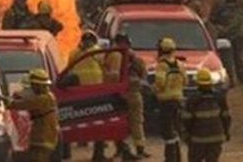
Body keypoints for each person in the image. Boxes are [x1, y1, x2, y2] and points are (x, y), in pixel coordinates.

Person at [105, 32, 149, 160]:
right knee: (135, 122)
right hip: (132, 93)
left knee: (120, 121)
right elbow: (143, 76)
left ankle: (123, 149)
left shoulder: (113, 56)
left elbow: (109, 75)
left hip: (118, 94)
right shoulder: (136, 59)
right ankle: (137, 149)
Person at [68, 30, 107, 162]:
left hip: (86, 89)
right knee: (92, 118)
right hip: (91, 89)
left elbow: (69, 69)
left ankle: (87, 143)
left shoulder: (91, 52)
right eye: (87, 41)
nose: (88, 43)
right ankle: (91, 143)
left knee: (85, 117)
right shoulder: (96, 52)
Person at [7, 68, 59, 162]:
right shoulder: (47, 97)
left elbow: (22, 104)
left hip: (43, 140)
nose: (33, 87)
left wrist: (6, 101)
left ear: (40, 85)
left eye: (34, 85)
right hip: (42, 139)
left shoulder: (44, 99)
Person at [182, 67, 231, 162]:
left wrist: (186, 135)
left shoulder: (192, 100)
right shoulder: (219, 97)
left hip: (197, 139)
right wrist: (226, 132)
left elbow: (186, 120)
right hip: (216, 137)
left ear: (197, 83)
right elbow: (226, 118)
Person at [208, 0, 243, 85]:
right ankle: (241, 79)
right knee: (237, 58)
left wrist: (220, 27)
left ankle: (232, 80)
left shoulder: (219, 2)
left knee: (229, 59)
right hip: (232, 34)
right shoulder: (240, 2)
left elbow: (212, 19)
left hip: (226, 34)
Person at [153, 37, 186, 162]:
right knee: (176, 129)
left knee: (167, 131)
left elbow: (159, 84)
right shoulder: (180, 65)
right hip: (178, 100)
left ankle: (170, 158)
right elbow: (185, 81)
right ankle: (177, 157)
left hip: (166, 102)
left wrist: (154, 90)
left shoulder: (162, 66)